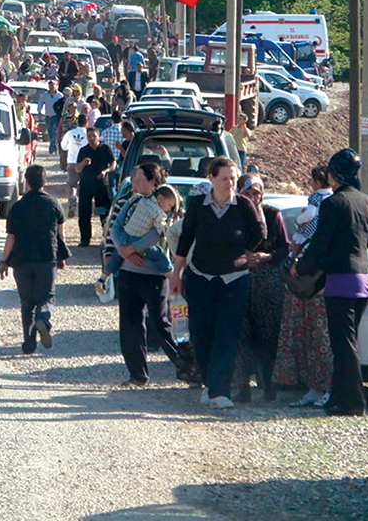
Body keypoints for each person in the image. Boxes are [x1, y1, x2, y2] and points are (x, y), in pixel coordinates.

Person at [170, 157, 265, 409]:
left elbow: (259, 233)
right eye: (224, 178)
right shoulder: (198, 205)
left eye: (233, 178)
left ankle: (219, 391)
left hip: (234, 279)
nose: (229, 183)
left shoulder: (244, 206)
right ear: (211, 178)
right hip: (201, 277)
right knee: (202, 335)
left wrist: (244, 252)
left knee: (227, 334)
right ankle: (211, 383)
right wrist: (176, 274)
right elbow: (186, 238)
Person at [295, 148, 368, 416]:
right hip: (365, 278)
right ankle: (337, 398)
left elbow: (320, 243)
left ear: (334, 176)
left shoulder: (332, 204)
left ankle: (353, 402)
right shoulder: (367, 201)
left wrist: (302, 267)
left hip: (341, 280)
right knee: (349, 341)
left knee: (343, 345)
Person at [108, 162, 199, 386]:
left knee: (161, 323)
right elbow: (115, 227)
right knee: (130, 324)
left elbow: (157, 235)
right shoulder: (131, 201)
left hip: (154, 275)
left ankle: (186, 365)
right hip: (128, 272)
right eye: (134, 178)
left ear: (153, 180)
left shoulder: (166, 204)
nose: (135, 183)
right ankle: (137, 374)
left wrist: (133, 249)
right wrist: (122, 250)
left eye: (139, 179)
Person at [273, 165, 335, 408]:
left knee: (321, 340)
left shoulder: (321, 202)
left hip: (317, 282)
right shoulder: (330, 202)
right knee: (308, 339)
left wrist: (299, 219)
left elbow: (307, 217)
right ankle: (313, 387)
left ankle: (327, 387)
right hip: (304, 286)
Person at [232, 174, 289, 403]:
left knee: (268, 335)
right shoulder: (232, 214)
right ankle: (242, 387)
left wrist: (266, 256)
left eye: (257, 193)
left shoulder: (273, 215)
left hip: (268, 281)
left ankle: (268, 386)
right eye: (249, 192)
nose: (254, 197)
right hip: (239, 278)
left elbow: (284, 249)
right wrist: (243, 256)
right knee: (241, 335)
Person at [0, 164, 68, 353]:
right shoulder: (54, 204)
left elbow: (11, 237)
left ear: (27, 182)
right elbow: (60, 236)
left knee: (27, 303)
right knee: (47, 297)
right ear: (44, 182)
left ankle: (29, 344)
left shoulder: (18, 207)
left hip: (21, 261)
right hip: (47, 258)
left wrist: (4, 262)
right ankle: (43, 318)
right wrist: (62, 257)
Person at [96, 182, 179, 294]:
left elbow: (116, 226)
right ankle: (170, 274)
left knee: (116, 257)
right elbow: (161, 231)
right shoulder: (157, 212)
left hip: (125, 236)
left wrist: (123, 249)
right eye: (169, 205)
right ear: (160, 198)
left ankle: (103, 278)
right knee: (158, 255)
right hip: (138, 240)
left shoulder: (140, 201)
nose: (169, 209)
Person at [75, 127, 115, 247]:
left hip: (101, 184)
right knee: (84, 212)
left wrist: (106, 171)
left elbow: (113, 163)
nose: (91, 138)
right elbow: (77, 169)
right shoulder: (83, 151)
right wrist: (83, 163)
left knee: (104, 211)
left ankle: (107, 237)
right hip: (86, 184)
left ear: (98, 136)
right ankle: (85, 239)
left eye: (94, 136)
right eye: (89, 136)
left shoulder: (105, 148)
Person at [61, 114, 90, 215]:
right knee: (84, 185)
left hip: (72, 162)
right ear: (87, 123)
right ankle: (84, 206)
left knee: (71, 185)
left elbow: (63, 146)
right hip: (85, 164)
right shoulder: (88, 134)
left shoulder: (70, 133)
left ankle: (72, 204)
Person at [37, 80, 63, 155]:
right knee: (49, 131)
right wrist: (39, 111)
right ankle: (52, 146)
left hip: (56, 116)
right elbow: (40, 103)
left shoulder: (59, 95)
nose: (51, 87)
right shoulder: (45, 95)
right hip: (48, 116)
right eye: (50, 85)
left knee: (54, 131)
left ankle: (53, 147)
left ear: (56, 85)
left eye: (53, 85)